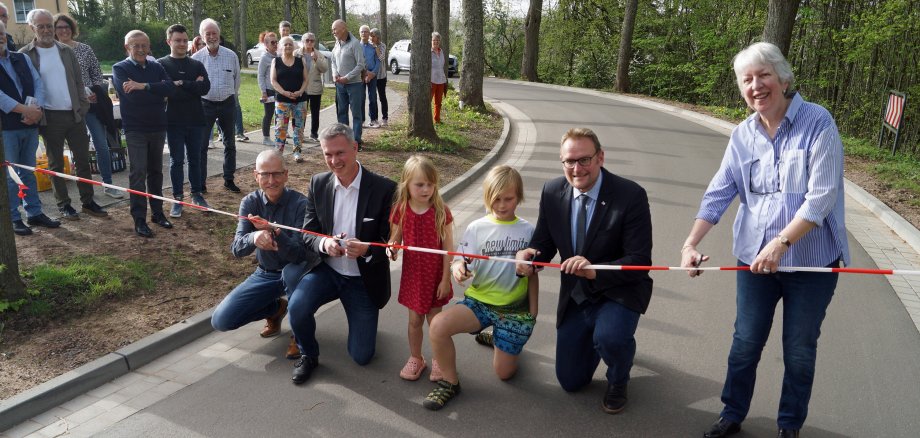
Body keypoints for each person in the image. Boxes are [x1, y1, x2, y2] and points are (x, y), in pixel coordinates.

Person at [681, 42, 850, 438]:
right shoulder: (742, 135)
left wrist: (781, 243)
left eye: (764, 75)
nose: (756, 85)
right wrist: (690, 243)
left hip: (810, 264)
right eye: (747, 79)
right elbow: (720, 191)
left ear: (784, 78)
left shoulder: (818, 122)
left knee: (799, 351)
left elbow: (822, 195)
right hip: (753, 262)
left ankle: (789, 426)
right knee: (745, 343)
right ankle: (732, 413)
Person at [515, 127, 653, 415]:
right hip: (577, 294)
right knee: (570, 381)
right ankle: (599, 341)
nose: (576, 169)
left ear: (600, 157)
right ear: (562, 162)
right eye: (569, 161)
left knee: (611, 338)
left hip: (618, 290)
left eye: (584, 160)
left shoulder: (630, 195)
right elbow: (543, 243)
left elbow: (640, 260)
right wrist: (530, 258)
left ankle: (618, 375)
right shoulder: (552, 191)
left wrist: (595, 272)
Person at [283, 123, 396, 385]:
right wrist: (325, 245)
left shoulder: (384, 188)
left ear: (355, 148)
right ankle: (308, 355)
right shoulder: (318, 183)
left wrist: (367, 249)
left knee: (361, 356)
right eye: (328, 154)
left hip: (362, 279)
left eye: (340, 153)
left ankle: (364, 327)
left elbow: (390, 240)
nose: (334, 161)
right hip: (328, 271)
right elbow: (308, 232)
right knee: (297, 307)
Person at [423, 165, 538, 411]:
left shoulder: (528, 231)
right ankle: (449, 382)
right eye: (496, 198)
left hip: (514, 310)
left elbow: (534, 276)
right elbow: (460, 259)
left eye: (509, 198)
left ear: (518, 196)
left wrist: (533, 312)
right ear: (487, 196)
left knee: (504, 373)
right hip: (479, 303)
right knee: (438, 325)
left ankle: (500, 337)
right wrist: (457, 268)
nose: (502, 204)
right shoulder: (477, 228)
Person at [212, 149, 308, 360]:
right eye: (264, 174)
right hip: (266, 273)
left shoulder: (302, 204)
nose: (271, 180)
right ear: (256, 176)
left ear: (286, 174)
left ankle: (299, 336)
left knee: (294, 276)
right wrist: (254, 238)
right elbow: (237, 248)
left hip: (297, 273)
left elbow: (300, 255)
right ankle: (275, 309)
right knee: (221, 320)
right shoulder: (249, 203)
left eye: (276, 174)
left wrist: (274, 232)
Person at [20, 9, 107, 221]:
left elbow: (79, 81)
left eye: (49, 25)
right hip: (49, 118)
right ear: (32, 28)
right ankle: (64, 205)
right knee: (55, 164)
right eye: (41, 26)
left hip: (74, 115)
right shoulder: (25, 54)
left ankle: (88, 201)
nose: (46, 29)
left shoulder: (66, 51)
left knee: (83, 161)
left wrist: (83, 107)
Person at [386, 155, 454, 382]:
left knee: (435, 323)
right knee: (414, 322)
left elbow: (448, 251)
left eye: (430, 184)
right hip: (414, 278)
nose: (426, 189)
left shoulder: (441, 211)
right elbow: (394, 239)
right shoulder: (401, 210)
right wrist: (391, 249)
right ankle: (416, 357)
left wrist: (446, 279)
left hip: (435, 278)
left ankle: (438, 359)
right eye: (420, 184)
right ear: (406, 184)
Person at [113, 30, 176, 238]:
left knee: (156, 172)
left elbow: (170, 89)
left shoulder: (157, 67)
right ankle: (139, 218)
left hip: (158, 126)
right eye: (135, 45)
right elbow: (131, 99)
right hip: (136, 129)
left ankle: (157, 213)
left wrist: (143, 86)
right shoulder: (120, 69)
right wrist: (156, 93)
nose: (140, 49)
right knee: (138, 172)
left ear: (149, 47)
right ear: (127, 47)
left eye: (144, 46)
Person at [0, 20, 61, 236]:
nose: (1, 37)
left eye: (2, 33)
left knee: (28, 171)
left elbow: (38, 84)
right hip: (5, 128)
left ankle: (34, 212)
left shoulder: (21, 58)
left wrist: (36, 110)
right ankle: (13, 217)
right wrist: (25, 111)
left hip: (29, 124)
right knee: (9, 176)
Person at [52, 14, 121, 200]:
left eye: (67, 26)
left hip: (90, 106)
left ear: (72, 28)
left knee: (101, 144)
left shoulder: (84, 49)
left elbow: (98, 75)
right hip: (66, 107)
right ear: (54, 30)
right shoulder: (52, 51)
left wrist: (95, 90)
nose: (64, 30)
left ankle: (108, 184)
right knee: (78, 150)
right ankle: (83, 190)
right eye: (59, 27)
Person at [158, 24, 212, 218]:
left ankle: (197, 194)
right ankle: (177, 198)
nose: (182, 44)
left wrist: (182, 83)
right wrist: (191, 86)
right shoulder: (161, 64)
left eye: (184, 40)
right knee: (176, 160)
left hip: (196, 119)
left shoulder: (196, 64)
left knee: (195, 159)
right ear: (169, 42)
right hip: (173, 121)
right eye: (177, 40)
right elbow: (166, 90)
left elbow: (205, 88)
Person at [191, 18, 242, 193]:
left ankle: (229, 179)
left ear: (219, 35)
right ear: (202, 37)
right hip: (205, 105)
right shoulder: (196, 59)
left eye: (214, 33)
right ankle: (201, 183)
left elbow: (237, 80)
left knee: (230, 144)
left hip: (228, 104)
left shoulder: (231, 55)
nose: (212, 37)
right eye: (208, 34)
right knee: (202, 146)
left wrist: (231, 96)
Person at [330, 19, 366, 149]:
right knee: (342, 112)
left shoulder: (355, 43)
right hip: (340, 85)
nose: (333, 31)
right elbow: (333, 61)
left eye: (335, 29)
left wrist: (347, 77)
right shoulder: (337, 43)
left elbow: (360, 64)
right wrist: (335, 74)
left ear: (343, 29)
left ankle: (356, 142)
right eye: (333, 29)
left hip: (354, 84)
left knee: (356, 113)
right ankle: (344, 141)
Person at [270, 35, 307, 162]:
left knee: (299, 128)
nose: (288, 46)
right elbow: (273, 81)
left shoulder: (300, 60)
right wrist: (284, 93)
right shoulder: (276, 61)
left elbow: (306, 79)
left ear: (294, 46)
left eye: (290, 44)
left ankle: (297, 152)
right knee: (280, 128)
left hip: (300, 100)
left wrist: (300, 91)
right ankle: (278, 153)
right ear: (280, 47)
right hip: (282, 100)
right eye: (285, 44)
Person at [299, 32, 327, 143]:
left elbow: (324, 69)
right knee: (301, 112)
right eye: (307, 40)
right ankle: (300, 133)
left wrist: (316, 60)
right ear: (303, 41)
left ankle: (314, 133)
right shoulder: (296, 54)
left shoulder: (319, 54)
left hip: (315, 88)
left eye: (312, 40)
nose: (309, 42)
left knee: (315, 112)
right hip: (301, 88)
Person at [257, 31, 278, 146]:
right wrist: (263, 92)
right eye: (272, 42)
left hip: (279, 90)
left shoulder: (279, 55)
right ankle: (266, 137)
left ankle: (278, 135)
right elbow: (260, 75)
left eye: (276, 42)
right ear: (266, 44)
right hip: (269, 90)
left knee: (279, 114)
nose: (275, 44)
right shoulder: (264, 58)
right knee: (269, 114)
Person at [358, 25, 379, 129]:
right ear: (359, 33)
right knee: (361, 98)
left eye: (366, 32)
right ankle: (361, 120)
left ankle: (374, 119)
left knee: (373, 97)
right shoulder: (356, 46)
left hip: (372, 75)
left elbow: (378, 61)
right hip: (360, 75)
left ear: (369, 34)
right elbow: (355, 62)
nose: (364, 33)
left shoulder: (373, 47)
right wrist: (365, 73)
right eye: (362, 32)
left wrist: (372, 73)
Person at [369, 28, 388, 127]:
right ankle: (374, 118)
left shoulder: (382, 45)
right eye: (370, 36)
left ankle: (385, 118)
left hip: (381, 76)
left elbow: (381, 58)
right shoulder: (368, 45)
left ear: (378, 37)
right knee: (372, 98)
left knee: (382, 97)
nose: (371, 38)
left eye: (373, 36)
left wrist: (376, 47)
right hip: (372, 75)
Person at [430, 32, 447, 124]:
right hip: (431, 80)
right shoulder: (429, 52)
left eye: (437, 40)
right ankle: (427, 120)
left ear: (439, 41)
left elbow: (442, 66)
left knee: (438, 102)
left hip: (441, 80)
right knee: (428, 100)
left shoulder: (441, 51)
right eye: (434, 40)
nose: (435, 42)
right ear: (431, 41)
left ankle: (437, 119)